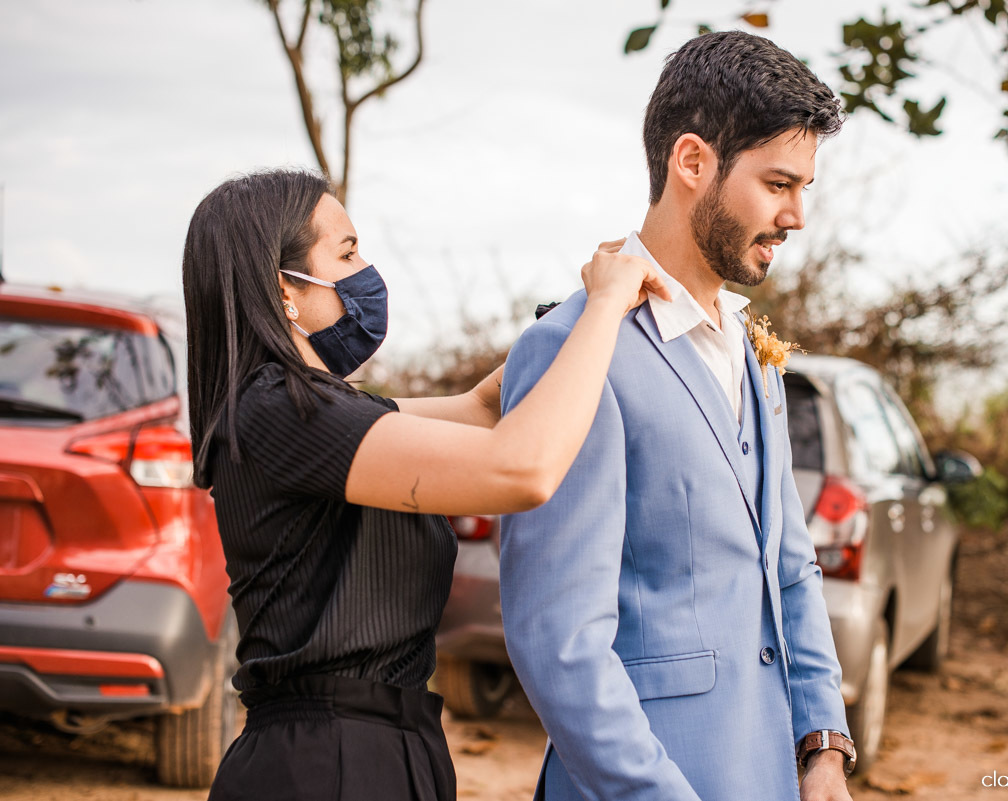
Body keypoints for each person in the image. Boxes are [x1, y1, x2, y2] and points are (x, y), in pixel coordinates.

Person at [180, 168, 668, 801]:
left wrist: (585, 306)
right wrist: (606, 306)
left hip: (384, 749)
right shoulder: (279, 412)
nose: (366, 273)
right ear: (285, 291)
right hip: (326, 767)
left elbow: (481, 408)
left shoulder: (324, 412)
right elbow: (520, 467)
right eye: (347, 252)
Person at [499, 31, 854, 801]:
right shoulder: (568, 350)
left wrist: (822, 743)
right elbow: (559, 642)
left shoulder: (754, 354)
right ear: (691, 162)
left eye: (805, 188)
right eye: (777, 183)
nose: (796, 215)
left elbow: (789, 566)